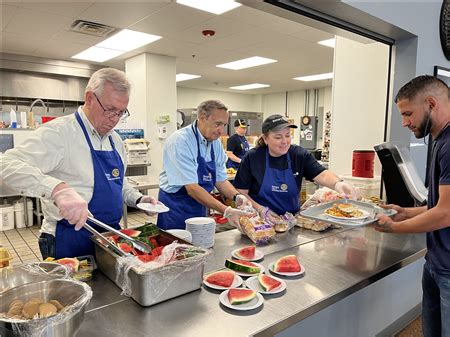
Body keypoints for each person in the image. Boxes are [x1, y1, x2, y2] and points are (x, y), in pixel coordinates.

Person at [0, 68, 158, 259]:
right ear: (89, 98)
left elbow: (118, 183)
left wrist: (138, 199)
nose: (114, 119)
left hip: (109, 238)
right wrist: (57, 189)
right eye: (109, 110)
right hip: (68, 238)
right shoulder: (59, 133)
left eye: (121, 112)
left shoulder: (115, 140)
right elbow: (6, 164)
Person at [373, 75, 450, 337]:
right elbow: (436, 204)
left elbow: (445, 213)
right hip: (436, 262)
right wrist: (407, 212)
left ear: (430, 103)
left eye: (408, 114)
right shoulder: (439, 140)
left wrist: (395, 227)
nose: (405, 122)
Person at [233, 114, 357, 221]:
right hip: (259, 222)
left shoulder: (298, 155)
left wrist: (338, 184)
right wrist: (260, 209)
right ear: (265, 138)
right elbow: (241, 192)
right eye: (278, 137)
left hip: (291, 221)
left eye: (287, 135)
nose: (284, 141)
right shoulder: (253, 157)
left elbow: (322, 174)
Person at [157, 100, 252, 230]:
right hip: (176, 207)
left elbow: (220, 180)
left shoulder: (216, 143)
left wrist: (237, 197)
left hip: (200, 204)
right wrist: (226, 210)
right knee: (175, 246)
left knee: (199, 245)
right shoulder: (180, 142)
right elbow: (192, 188)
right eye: (218, 124)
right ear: (202, 118)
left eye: (224, 125)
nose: (221, 130)